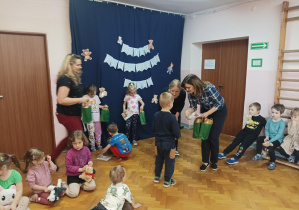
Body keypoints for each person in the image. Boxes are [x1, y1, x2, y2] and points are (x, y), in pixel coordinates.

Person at [182, 74, 227, 172]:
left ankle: (214, 162)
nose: (187, 90)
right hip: (207, 111)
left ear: (195, 84)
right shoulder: (190, 93)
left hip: (219, 111)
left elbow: (220, 102)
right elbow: (193, 106)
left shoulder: (209, 89)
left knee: (213, 137)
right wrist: (188, 111)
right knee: (204, 136)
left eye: (188, 87)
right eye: (186, 88)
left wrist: (206, 113)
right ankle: (205, 162)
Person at [52, 54, 89, 163]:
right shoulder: (65, 79)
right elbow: (61, 100)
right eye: (78, 65)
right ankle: (80, 164)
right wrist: (81, 100)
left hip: (72, 114)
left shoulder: (72, 78)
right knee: (79, 138)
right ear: (70, 65)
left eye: (80, 64)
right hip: (67, 115)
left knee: (71, 138)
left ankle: (50, 159)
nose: (80, 67)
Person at [152, 92, 180, 188]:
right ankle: (167, 180)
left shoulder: (156, 115)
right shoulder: (172, 117)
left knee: (158, 160)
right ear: (169, 104)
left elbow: (153, 128)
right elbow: (176, 132)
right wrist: (177, 136)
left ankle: (157, 176)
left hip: (158, 143)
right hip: (169, 144)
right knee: (169, 162)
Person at [252, 104, 286, 170]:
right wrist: (267, 137)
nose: (274, 114)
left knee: (270, 147)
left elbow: (279, 135)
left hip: (277, 139)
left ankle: (272, 162)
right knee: (259, 139)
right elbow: (266, 129)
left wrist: (269, 142)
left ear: (281, 114)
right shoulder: (269, 120)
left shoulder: (282, 123)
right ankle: (259, 154)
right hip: (269, 137)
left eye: (276, 113)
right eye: (273, 112)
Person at [64, 130, 96, 197]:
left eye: (79, 142)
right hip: (73, 177)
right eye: (74, 143)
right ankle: (63, 185)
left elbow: (89, 159)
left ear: (83, 141)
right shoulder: (69, 153)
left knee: (92, 186)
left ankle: (80, 185)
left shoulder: (86, 149)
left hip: (85, 175)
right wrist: (81, 169)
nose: (77, 145)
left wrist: (90, 163)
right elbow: (69, 167)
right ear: (71, 143)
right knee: (73, 194)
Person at [160, 79, 186, 158]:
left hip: (176, 113)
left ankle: (174, 149)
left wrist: (177, 114)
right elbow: (161, 106)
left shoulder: (183, 93)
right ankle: (164, 149)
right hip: (165, 112)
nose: (174, 94)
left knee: (175, 131)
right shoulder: (164, 93)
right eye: (172, 91)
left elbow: (181, 104)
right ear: (169, 89)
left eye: (176, 91)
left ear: (180, 90)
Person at [83, 84, 108, 151]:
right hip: (89, 119)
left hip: (97, 118)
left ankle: (98, 144)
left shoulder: (96, 97)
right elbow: (83, 108)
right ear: (88, 92)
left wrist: (103, 106)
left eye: (94, 94)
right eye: (91, 94)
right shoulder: (85, 97)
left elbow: (97, 105)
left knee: (98, 132)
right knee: (91, 133)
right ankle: (92, 145)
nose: (93, 96)